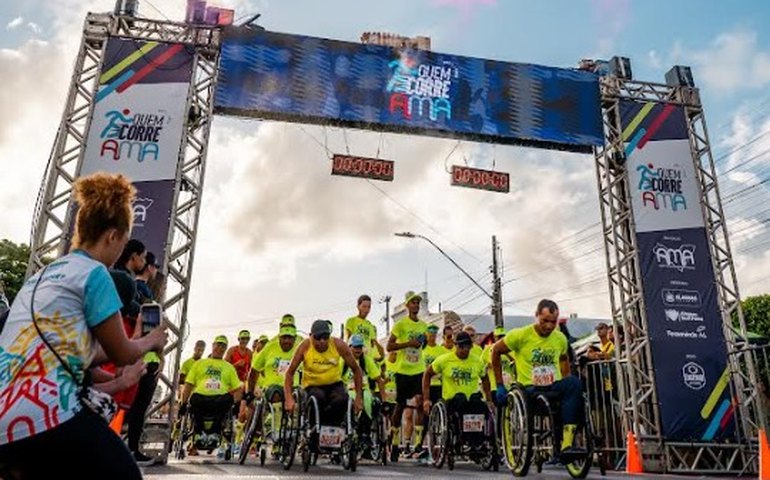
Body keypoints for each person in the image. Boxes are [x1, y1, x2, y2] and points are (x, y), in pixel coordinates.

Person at [0, 172, 167, 480]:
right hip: (46, 412)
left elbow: (74, 352)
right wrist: (151, 339)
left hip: (5, 416)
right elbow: (123, 353)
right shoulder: (95, 274)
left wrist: (117, 370)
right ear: (113, 236)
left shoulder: (45, 275)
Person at [491, 299, 584, 458]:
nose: (548, 326)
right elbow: (495, 351)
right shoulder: (520, 335)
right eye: (544, 321)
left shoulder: (560, 338)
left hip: (553, 386)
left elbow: (563, 360)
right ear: (536, 316)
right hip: (529, 389)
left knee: (575, 384)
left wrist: (566, 381)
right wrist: (500, 385)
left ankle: (567, 444)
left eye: (553, 322)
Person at [284, 320, 363, 428]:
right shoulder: (305, 346)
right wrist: (288, 397)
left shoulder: (338, 344)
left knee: (341, 399)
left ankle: (333, 429)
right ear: (311, 336)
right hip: (313, 385)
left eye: (325, 337)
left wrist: (358, 397)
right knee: (318, 398)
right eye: (318, 338)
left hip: (334, 385)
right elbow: (289, 373)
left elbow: (356, 370)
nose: (322, 341)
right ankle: (314, 430)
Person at [422, 332, 493, 442]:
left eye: (468, 346)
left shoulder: (477, 361)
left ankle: (478, 440)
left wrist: (489, 399)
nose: (465, 350)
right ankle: (460, 436)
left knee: (477, 401)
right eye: (462, 346)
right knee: (460, 397)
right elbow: (427, 374)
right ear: (456, 346)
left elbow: (485, 378)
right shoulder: (444, 360)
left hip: (471, 400)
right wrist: (426, 399)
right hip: (452, 400)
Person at [179, 335, 243, 456]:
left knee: (226, 401)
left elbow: (237, 389)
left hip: (220, 399)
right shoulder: (199, 364)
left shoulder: (228, 367)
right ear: (213, 346)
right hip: (200, 397)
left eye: (223, 346)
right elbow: (188, 384)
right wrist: (183, 402)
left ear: (225, 349)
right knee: (195, 400)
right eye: (218, 344)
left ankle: (215, 432)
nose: (220, 348)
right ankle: (198, 433)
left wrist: (236, 404)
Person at [386, 291, 429, 461]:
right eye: (413, 303)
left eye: (418, 303)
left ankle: (417, 443)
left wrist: (421, 343)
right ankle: (395, 442)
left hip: (418, 369)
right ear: (407, 306)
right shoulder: (401, 325)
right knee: (400, 406)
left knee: (419, 403)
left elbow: (423, 346)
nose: (416, 306)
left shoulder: (423, 326)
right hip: (403, 370)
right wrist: (408, 344)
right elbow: (389, 346)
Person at [245, 323, 300, 452]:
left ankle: (295, 433)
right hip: (272, 388)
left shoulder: (299, 349)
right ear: (279, 337)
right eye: (284, 337)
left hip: (294, 387)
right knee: (276, 393)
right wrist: (250, 392)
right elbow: (254, 371)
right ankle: (277, 433)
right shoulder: (269, 348)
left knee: (302, 396)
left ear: (294, 338)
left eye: (290, 338)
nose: (286, 340)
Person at [342, 334, 385, 456]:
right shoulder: (343, 360)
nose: (358, 350)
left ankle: (365, 433)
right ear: (349, 347)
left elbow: (379, 380)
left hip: (363, 390)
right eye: (355, 347)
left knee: (369, 401)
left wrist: (384, 398)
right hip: (347, 389)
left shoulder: (367, 360)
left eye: (360, 347)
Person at [226, 330, 253, 448]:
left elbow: (252, 368)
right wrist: (236, 365)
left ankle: (237, 440)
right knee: (228, 410)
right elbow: (224, 366)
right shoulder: (232, 350)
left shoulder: (250, 353)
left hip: (243, 384)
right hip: (231, 383)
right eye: (242, 339)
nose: (244, 341)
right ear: (239, 339)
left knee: (243, 413)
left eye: (246, 339)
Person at [345, 295, 385, 360]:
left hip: (367, 358)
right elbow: (348, 339)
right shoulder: (351, 321)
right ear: (358, 307)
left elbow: (374, 342)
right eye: (364, 306)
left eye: (369, 307)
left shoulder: (369, 324)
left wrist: (382, 354)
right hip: (355, 357)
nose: (366, 310)